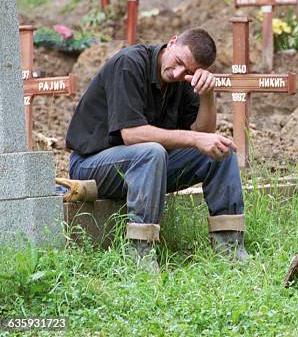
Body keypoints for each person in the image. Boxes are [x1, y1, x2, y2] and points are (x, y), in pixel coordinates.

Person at [65, 29, 249, 270]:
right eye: (179, 63)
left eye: (189, 72)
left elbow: (202, 133)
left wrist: (207, 96)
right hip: (91, 166)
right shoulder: (129, 64)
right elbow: (131, 135)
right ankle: (141, 254)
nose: (178, 73)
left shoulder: (183, 78)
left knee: (220, 151)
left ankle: (231, 250)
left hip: (148, 168)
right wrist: (194, 139)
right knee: (152, 151)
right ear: (171, 42)